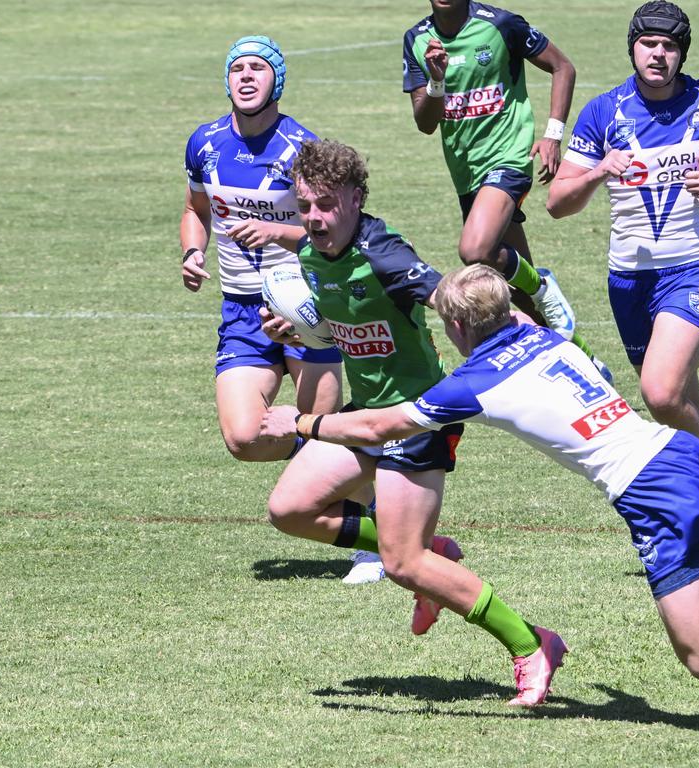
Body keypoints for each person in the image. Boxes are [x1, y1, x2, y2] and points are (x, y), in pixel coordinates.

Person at [263, 263, 699, 728]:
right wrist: (520, 271)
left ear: (456, 329)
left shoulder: (471, 382)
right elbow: (537, 302)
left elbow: (383, 425)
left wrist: (300, 423)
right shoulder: (548, 336)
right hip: (684, 454)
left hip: (651, 490)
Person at [258, 140, 568, 707]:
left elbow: (448, 296)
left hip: (416, 419)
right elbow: (344, 328)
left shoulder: (385, 255)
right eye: (304, 206)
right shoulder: (311, 256)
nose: (314, 217)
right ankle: (434, 554)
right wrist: (298, 333)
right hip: (366, 412)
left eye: (326, 204)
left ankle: (532, 644)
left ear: (355, 198)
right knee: (291, 510)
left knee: (402, 563)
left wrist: (521, 322)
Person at [179, 36, 381, 584]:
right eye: (237, 69)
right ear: (227, 79)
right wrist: (194, 250)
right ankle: (340, 438)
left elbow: (335, 231)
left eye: (258, 68)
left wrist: (277, 232)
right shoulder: (205, 142)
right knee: (244, 440)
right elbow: (196, 209)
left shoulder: (300, 148)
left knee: (327, 431)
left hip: (305, 304)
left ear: (277, 80)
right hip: (242, 311)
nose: (247, 77)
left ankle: (377, 537)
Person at [547, 2, 699, 446]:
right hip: (627, 280)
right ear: (632, 48)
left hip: (693, 270)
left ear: (682, 54)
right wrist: (598, 172)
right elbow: (556, 203)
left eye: (669, 46)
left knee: (660, 393)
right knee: (676, 404)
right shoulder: (604, 112)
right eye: (648, 44)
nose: (657, 54)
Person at [402, 0, 610, 380]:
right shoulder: (417, 40)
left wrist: (552, 136)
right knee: (521, 300)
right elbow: (425, 123)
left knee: (475, 250)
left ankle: (545, 285)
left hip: (508, 159)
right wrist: (436, 79)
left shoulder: (501, 25)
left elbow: (563, 67)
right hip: (467, 175)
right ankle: (585, 362)